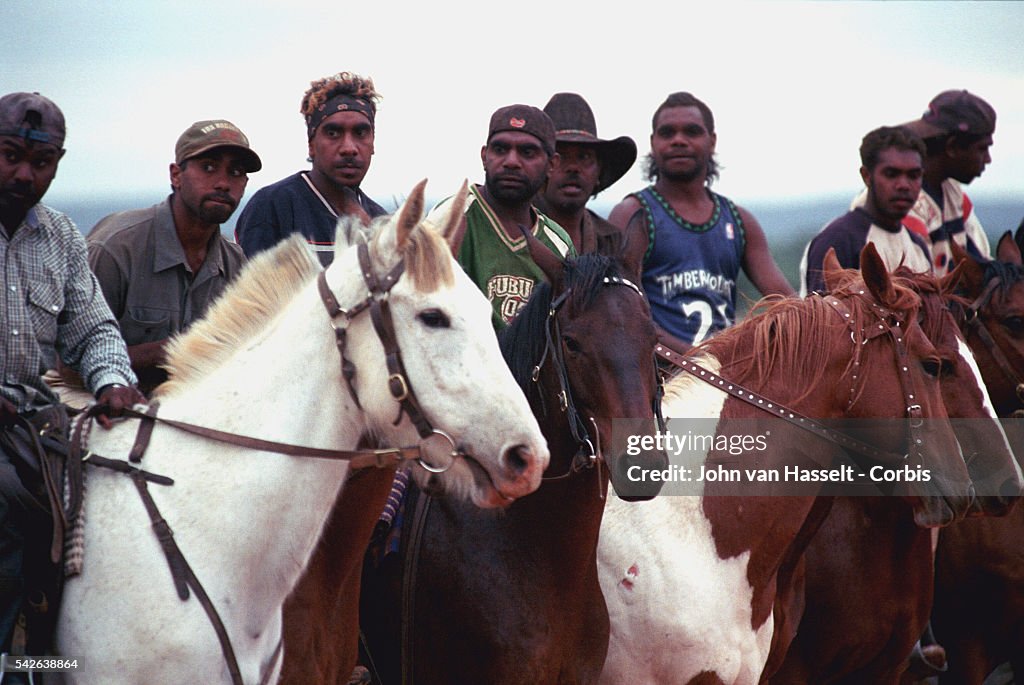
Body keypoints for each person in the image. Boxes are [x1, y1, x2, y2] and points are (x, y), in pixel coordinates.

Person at [0, 91, 144, 662]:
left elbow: (93, 328)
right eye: (10, 156)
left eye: (41, 164)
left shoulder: (60, 236)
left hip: (33, 425)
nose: (24, 174)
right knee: (8, 512)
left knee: (120, 497)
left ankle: (62, 661)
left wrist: (112, 380)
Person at [609, 91, 794, 352]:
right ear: (653, 142)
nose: (679, 141)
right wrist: (699, 360)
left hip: (724, 379)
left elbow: (788, 304)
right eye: (667, 133)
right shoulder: (633, 214)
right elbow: (624, 314)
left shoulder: (739, 221)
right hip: (660, 377)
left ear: (712, 141)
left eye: (692, 132)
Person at [86, 120, 260, 395]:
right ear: (176, 175)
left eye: (236, 172)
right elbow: (68, 363)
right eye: (209, 167)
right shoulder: (116, 246)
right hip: (101, 404)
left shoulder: (236, 265)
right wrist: (185, 347)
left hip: (193, 414)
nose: (224, 183)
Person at [425, 103, 575, 329]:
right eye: (500, 149)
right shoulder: (451, 217)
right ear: (485, 156)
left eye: (527, 152)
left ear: (551, 164)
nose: (511, 162)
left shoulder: (559, 244)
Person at [235, 71, 386, 266]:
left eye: (360, 133)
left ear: (373, 143)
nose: (349, 148)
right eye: (333, 133)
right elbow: (251, 294)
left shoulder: (379, 221)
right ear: (311, 144)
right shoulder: (273, 206)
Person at [854, 89, 995, 277]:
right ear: (952, 146)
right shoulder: (901, 206)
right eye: (982, 148)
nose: (987, 159)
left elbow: (982, 270)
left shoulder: (952, 194)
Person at [800, 126, 932, 295]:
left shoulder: (918, 246)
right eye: (891, 174)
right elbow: (821, 317)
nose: (904, 185)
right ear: (867, 176)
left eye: (913, 175)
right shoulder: (839, 239)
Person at [533, 92, 637, 254]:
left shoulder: (612, 240)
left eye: (584, 157)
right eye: (560, 156)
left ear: (599, 172)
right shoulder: (513, 231)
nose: (573, 167)